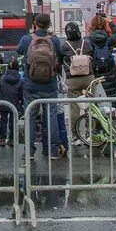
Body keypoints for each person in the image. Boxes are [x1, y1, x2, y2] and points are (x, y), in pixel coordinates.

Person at [17, 13, 71, 160]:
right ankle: (53, 150)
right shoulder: (54, 40)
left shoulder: (27, 39)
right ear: (49, 24)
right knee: (52, 117)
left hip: (30, 84)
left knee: (30, 117)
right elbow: (61, 54)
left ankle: (29, 151)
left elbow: (19, 51)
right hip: (50, 84)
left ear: (35, 23)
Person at [85, 12, 116, 98]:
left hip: (94, 74)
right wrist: (110, 22)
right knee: (110, 106)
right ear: (105, 25)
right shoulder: (109, 40)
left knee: (95, 105)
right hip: (109, 75)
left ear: (92, 25)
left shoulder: (87, 41)